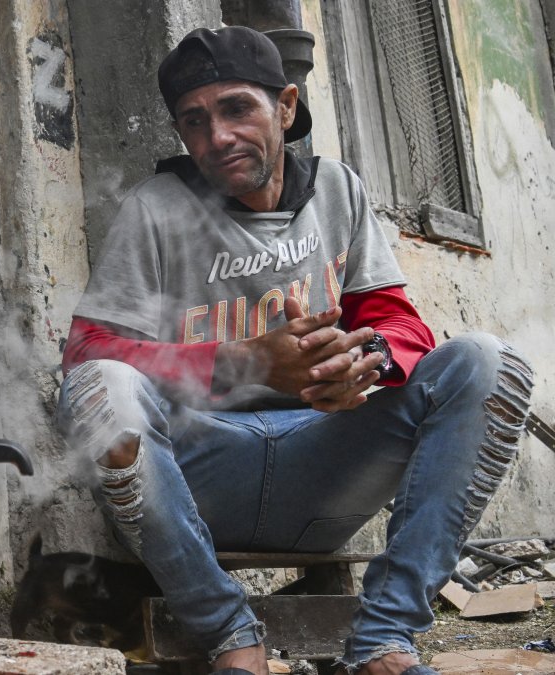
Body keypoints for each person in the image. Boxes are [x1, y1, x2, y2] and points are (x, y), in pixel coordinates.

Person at [58, 26, 533, 675]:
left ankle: (385, 637)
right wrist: (243, 361)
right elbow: (86, 352)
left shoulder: (337, 189)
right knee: (97, 387)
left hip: (324, 467)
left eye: (237, 109)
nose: (217, 137)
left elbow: (397, 321)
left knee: (486, 362)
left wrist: (365, 361)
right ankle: (230, 634)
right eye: (194, 120)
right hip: (200, 483)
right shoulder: (155, 209)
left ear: (285, 106)